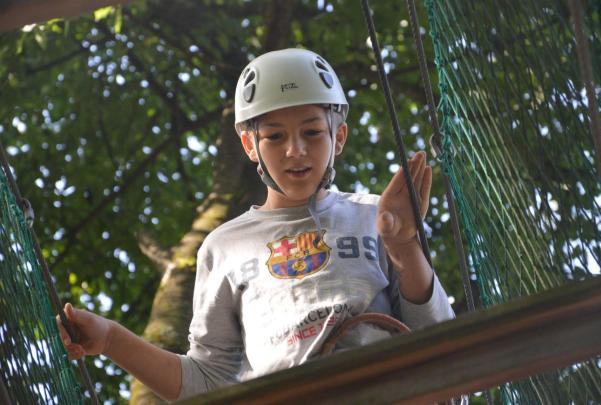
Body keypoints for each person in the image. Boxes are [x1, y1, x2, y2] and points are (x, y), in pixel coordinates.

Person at [58, 48, 454, 402]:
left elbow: (437, 342)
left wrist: (404, 246)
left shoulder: (375, 215)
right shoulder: (224, 246)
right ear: (250, 145)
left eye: (313, 132)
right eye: (275, 135)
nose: (295, 150)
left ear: (339, 137)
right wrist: (111, 339)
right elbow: (209, 379)